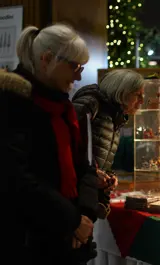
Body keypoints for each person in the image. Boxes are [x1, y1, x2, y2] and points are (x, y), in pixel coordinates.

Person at [1, 24, 98, 265]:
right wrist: (73, 220)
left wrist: (85, 217)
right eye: (74, 66)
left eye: (81, 67)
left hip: (68, 241)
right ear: (46, 60)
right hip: (27, 244)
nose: (78, 76)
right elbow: (16, 178)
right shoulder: (12, 103)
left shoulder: (64, 108)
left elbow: (84, 166)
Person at [72, 69, 144, 215]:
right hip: (73, 198)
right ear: (123, 92)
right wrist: (92, 175)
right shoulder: (91, 104)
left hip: (87, 195)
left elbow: (99, 157)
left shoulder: (114, 116)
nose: (142, 101)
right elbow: (69, 149)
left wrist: (108, 176)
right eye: (138, 95)